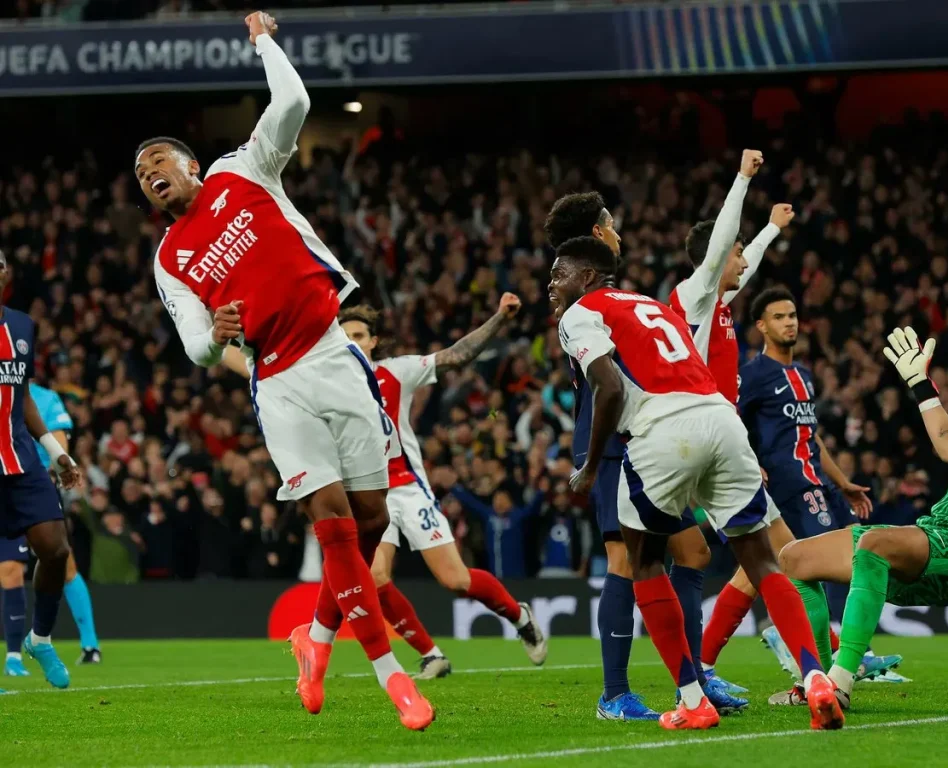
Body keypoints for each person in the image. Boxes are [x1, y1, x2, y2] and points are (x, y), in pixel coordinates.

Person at [138, 13, 432, 729]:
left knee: (369, 520)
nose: (151, 177)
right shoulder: (169, 260)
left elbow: (294, 101)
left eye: (159, 164)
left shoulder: (243, 171)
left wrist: (264, 42)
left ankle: (315, 639)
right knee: (332, 522)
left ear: (191, 166)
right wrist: (215, 335)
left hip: (335, 353)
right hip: (277, 380)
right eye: (142, 177)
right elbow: (194, 348)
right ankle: (395, 680)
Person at [550, 235, 843, 731]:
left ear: (586, 277)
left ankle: (692, 701)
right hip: (721, 420)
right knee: (762, 561)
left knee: (644, 561)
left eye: (559, 275)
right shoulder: (652, 304)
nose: (552, 285)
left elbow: (609, 385)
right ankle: (816, 677)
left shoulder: (580, 312)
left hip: (663, 430)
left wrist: (592, 463)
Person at [543, 167, 760, 719]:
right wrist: (593, 460)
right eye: (612, 223)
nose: (620, 232)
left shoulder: (606, 294)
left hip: (652, 433)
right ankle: (614, 694)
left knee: (692, 551)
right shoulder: (582, 298)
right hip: (614, 438)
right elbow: (607, 384)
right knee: (624, 558)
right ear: (598, 233)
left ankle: (694, 681)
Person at [778, 296, 948, 708]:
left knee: (874, 542)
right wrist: (919, 382)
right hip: (938, 531)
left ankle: (840, 683)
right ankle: (814, 681)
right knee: (794, 559)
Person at [337, 298, 546, 677]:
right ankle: (432, 654)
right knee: (375, 577)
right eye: (345, 336)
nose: (352, 342)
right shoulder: (331, 387)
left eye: (359, 335)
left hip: (407, 489)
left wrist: (499, 317)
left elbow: (457, 355)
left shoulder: (395, 371)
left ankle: (520, 616)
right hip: (368, 494)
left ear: (373, 341)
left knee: (456, 580)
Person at [729, 286, 901, 687]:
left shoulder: (803, 375)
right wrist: (749, 461)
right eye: (779, 317)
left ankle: (809, 646)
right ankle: (837, 659)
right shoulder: (752, 375)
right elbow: (729, 421)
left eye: (792, 315)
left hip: (819, 483)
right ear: (761, 326)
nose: (789, 323)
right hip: (788, 487)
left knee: (786, 568)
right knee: (829, 565)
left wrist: (843, 483)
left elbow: (811, 436)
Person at [668, 181, 793, 696]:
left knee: (762, 556)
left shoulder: (718, 303)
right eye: (735, 252)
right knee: (777, 553)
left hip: (719, 441)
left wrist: (770, 230)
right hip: (698, 440)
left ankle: (702, 668)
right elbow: (723, 243)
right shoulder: (694, 299)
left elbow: (746, 261)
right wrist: (742, 179)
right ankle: (819, 658)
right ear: (718, 256)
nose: (742, 260)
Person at [0, 248, 85, 689]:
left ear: (5, 275)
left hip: (20, 458)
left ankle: (40, 639)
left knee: (55, 549)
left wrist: (56, 452)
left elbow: (24, 396)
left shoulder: (21, 326)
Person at [1, 381, 101, 675]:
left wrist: (58, 461)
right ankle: (14, 656)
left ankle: (89, 644)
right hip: (9, 478)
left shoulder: (44, 397)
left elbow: (58, 436)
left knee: (62, 560)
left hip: (35, 481)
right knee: (10, 569)